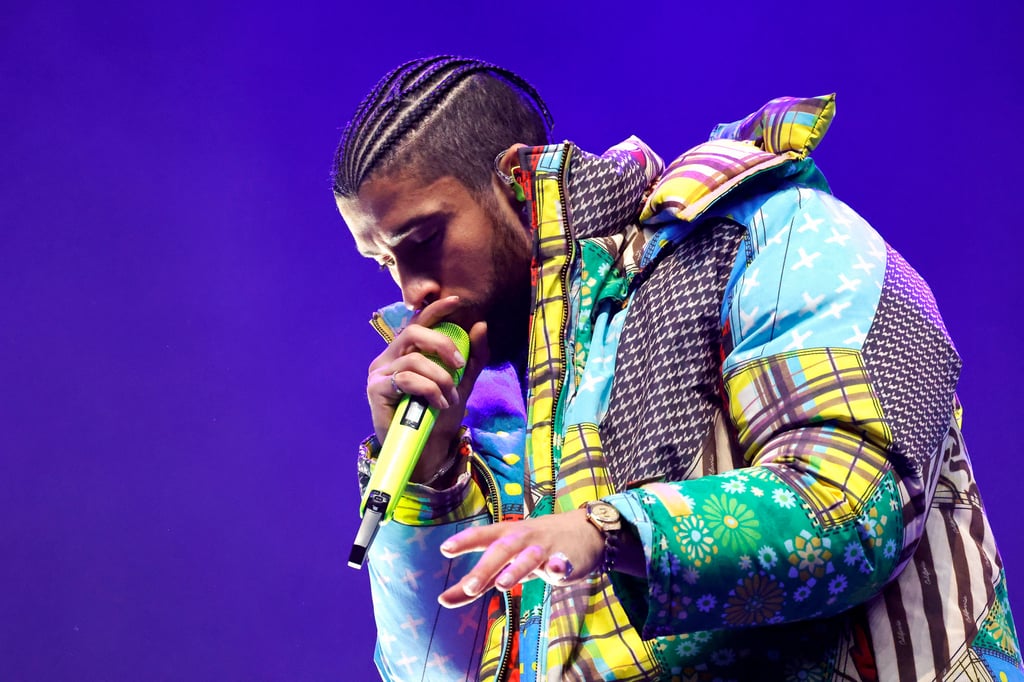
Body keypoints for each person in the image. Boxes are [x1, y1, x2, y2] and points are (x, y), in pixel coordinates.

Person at [331, 55, 1023, 681]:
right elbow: (434, 674)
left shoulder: (777, 235)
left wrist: (609, 530)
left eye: (424, 239)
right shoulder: (490, 411)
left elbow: (853, 509)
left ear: (514, 184)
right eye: (384, 261)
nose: (411, 290)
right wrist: (427, 479)